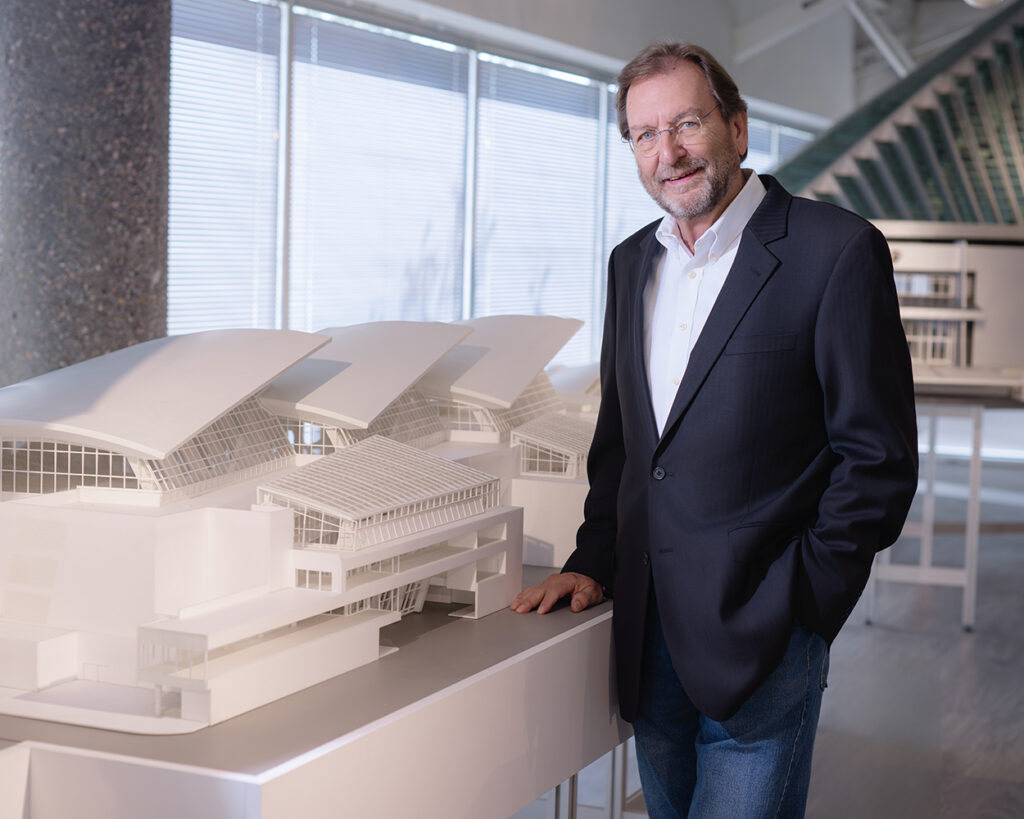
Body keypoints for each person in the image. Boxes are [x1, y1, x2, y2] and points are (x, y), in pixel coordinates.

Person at [511, 41, 919, 818]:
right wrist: (592, 558)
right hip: (645, 629)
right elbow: (625, 444)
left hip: (764, 634)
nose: (669, 152)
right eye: (644, 135)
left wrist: (805, 604)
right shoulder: (632, 263)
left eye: (688, 123)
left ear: (735, 125)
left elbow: (878, 459)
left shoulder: (834, 251)